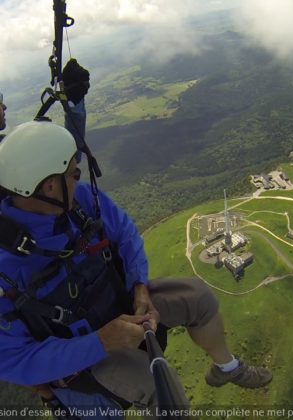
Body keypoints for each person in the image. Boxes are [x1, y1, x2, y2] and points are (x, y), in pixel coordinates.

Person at [0, 66, 272, 420]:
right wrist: (99, 343)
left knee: (197, 298)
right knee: (164, 393)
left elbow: (124, 232)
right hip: (80, 356)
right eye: (71, 173)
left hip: (122, 306)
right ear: (49, 187)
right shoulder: (6, 265)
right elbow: (14, 359)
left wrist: (140, 286)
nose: (78, 177)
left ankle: (227, 366)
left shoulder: (80, 202)